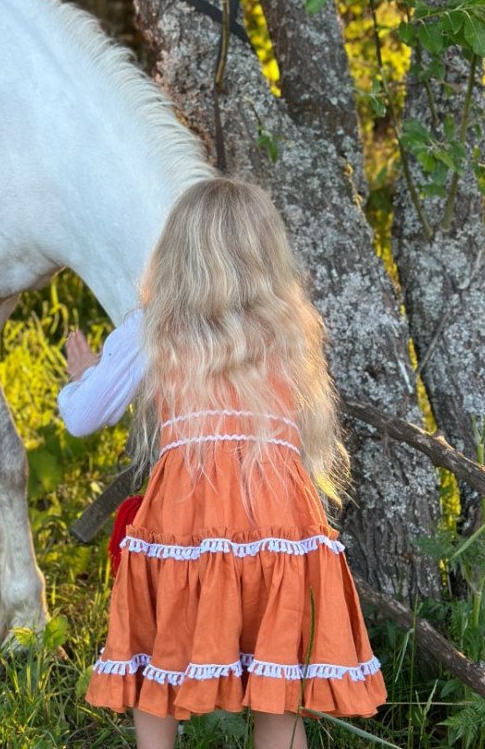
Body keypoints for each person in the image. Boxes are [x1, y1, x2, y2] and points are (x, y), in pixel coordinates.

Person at [59, 177, 386, 749]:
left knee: (155, 668)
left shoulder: (153, 326)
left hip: (189, 513)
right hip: (278, 517)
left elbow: (83, 417)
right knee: (277, 685)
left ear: (177, 249)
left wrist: (80, 381)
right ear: (266, 252)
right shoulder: (291, 329)